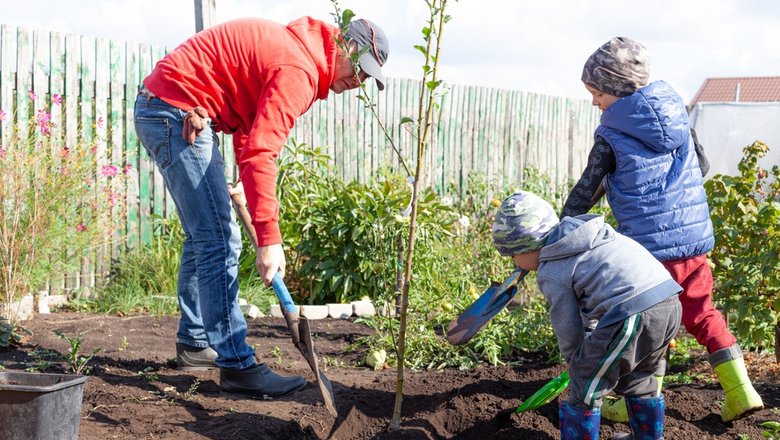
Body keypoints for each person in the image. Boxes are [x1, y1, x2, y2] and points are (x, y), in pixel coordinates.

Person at [133, 16, 389, 400]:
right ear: (347, 48)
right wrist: (269, 240)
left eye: (368, 79)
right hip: (176, 111)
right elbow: (262, 151)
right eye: (361, 70)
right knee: (219, 239)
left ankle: (194, 342)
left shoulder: (297, 53)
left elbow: (250, 132)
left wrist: (242, 185)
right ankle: (236, 365)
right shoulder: (298, 69)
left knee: (205, 234)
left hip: (172, 107)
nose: (359, 82)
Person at [562, 36, 763, 423]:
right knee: (701, 313)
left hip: (649, 253)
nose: (594, 102)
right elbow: (699, 167)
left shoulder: (610, 135)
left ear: (616, 89)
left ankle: (636, 399)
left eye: (597, 92)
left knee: (652, 326)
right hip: (692, 244)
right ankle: (741, 391)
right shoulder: (679, 120)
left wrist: (562, 231)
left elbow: (584, 193)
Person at [492, 190, 683, 440]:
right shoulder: (585, 236)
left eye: (513, 255)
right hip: (668, 301)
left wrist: (577, 362)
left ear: (527, 246)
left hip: (632, 312)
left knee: (585, 382)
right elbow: (594, 307)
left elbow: (568, 326)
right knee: (638, 375)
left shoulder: (552, 269)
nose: (514, 262)